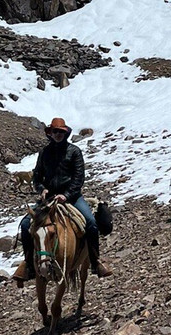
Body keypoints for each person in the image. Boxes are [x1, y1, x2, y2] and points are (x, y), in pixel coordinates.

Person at [13, 117, 112, 283]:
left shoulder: (74, 151)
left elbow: (79, 178)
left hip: (71, 198)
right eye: (55, 131)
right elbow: (37, 177)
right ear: (50, 133)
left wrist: (66, 195)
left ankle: (95, 262)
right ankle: (29, 265)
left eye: (61, 132)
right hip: (49, 198)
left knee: (91, 223)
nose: (58, 134)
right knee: (25, 225)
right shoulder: (44, 152)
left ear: (65, 133)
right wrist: (42, 189)